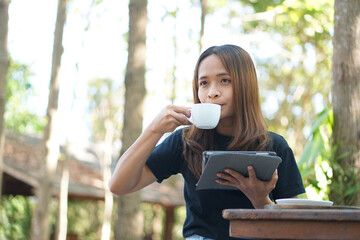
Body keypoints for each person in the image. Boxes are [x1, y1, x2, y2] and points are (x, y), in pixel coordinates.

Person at [109, 44, 305, 240]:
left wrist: (260, 200)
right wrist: (154, 130)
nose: (212, 92)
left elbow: (294, 230)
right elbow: (119, 185)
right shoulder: (186, 142)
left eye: (225, 80)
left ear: (246, 85)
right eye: (204, 83)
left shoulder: (274, 146)